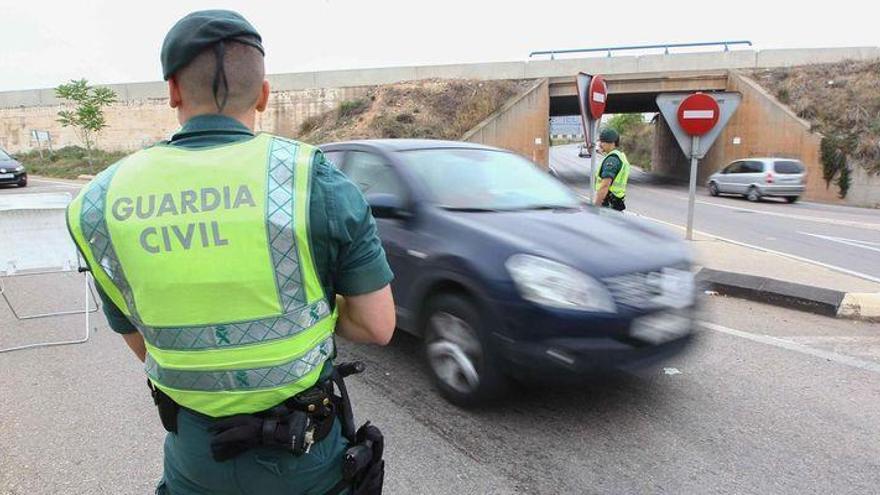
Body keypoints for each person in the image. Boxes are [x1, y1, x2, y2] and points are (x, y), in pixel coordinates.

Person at [66, 10, 394, 495]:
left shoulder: (98, 204)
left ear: (173, 91)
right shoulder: (311, 182)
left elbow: (141, 341)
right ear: (263, 95)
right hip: (303, 458)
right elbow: (376, 324)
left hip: (195, 456)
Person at [592, 128, 631, 211]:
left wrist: (595, 208)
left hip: (608, 206)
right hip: (616, 204)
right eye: (600, 141)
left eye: (603, 142)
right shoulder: (620, 156)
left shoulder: (612, 160)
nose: (600, 144)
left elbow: (604, 186)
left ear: (612, 143)